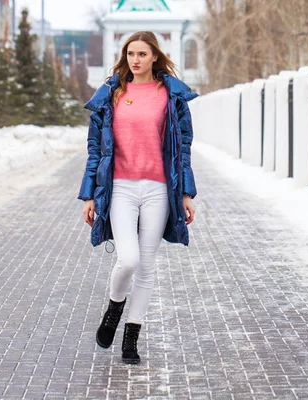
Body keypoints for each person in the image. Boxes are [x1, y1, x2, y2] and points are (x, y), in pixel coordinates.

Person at [78, 31, 198, 365]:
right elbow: (95, 149)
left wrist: (186, 192)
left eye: (143, 54)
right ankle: (115, 307)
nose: (136, 59)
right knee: (127, 259)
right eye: (131, 53)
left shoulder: (169, 96)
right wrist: (89, 195)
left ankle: (131, 339)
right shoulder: (111, 94)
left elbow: (183, 148)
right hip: (122, 189)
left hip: (159, 188)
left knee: (146, 267)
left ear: (155, 57)